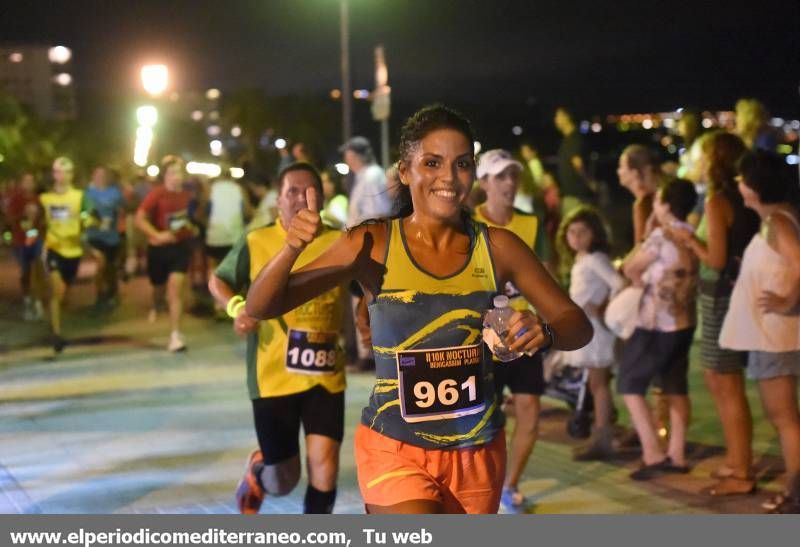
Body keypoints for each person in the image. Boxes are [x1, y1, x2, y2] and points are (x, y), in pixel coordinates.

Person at [245, 105, 592, 514]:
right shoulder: (371, 242)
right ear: (405, 171)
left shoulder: (498, 247)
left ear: (473, 172)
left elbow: (577, 324)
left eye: (461, 164)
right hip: (394, 449)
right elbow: (262, 305)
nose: (448, 177)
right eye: (432, 162)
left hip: (476, 450)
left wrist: (544, 332)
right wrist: (291, 248)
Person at [209, 163, 347, 514]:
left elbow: (367, 288)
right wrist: (237, 308)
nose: (301, 198)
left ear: (322, 197)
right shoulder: (256, 241)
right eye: (292, 192)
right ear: (278, 201)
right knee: (283, 479)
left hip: (325, 374)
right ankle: (259, 470)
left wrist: (365, 314)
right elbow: (218, 281)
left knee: (325, 467)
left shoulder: (340, 241)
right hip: (272, 377)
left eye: (309, 191)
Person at [670, 132, 760, 494]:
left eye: (702, 155)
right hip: (727, 295)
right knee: (722, 381)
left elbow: (716, 259)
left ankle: (742, 470)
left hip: (720, 297)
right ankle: (738, 462)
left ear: (716, 161)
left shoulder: (717, 200)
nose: (698, 161)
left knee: (725, 383)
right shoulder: (737, 197)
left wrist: (690, 239)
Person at [719, 151, 800, 513]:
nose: (738, 185)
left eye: (741, 179)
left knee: (784, 419)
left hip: (774, 336)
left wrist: (785, 300)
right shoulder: (780, 219)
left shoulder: (777, 223)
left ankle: (795, 493)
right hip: (773, 334)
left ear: (754, 186)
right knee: (785, 418)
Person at [473, 148, 546, 512]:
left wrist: (551, 327)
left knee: (530, 410)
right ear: (483, 182)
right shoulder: (466, 222)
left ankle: (510, 483)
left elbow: (547, 279)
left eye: (513, 175)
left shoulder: (532, 225)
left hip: (523, 332)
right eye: (500, 176)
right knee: (487, 414)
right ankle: (483, 484)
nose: (510, 182)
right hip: (481, 337)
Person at [619, 178, 699, 480]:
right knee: (676, 386)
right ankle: (676, 454)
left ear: (665, 205)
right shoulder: (692, 234)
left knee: (629, 383)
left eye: (658, 200)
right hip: (685, 321)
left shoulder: (660, 237)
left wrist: (649, 229)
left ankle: (652, 452)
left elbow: (630, 267)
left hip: (656, 323)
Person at [555, 206, 625, 461]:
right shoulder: (582, 260)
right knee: (597, 384)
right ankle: (601, 433)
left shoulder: (596, 259)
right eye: (572, 232)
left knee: (598, 384)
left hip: (596, 331)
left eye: (582, 232)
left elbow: (619, 283)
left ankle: (603, 436)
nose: (576, 237)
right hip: (587, 328)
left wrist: (604, 306)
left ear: (594, 234)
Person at [135, 155, 197, 352]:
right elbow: (139, 218)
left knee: (175, 290)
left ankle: (175, 335)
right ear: (165, 176)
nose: (176, 177)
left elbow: (192, 219)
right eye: (172, 173)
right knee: (158, 288)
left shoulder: (188, 196)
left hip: (180, 247)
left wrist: (191, 228)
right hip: (159, 249)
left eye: (179, 173)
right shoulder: (157, 194)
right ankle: (156, 304)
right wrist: (157, 235)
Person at [40, 157, 90, 353]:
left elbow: (89, 216)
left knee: (64, 295)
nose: (62, 176)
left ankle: (54, 320)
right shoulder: (45, 198)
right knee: (57, 291)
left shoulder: (80, 196)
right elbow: (37, 224)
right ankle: (56, 334)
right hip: (53, 248)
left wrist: (88, 221)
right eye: (59, 172)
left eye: (67, 172)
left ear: (72, 175)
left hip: (74, 250)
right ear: (54, 174)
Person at [204, 173, 251, 316]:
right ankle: (233, 303)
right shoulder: (239, 189)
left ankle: (217, 304)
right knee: (235, 269)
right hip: (235, 236)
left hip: (215, 235)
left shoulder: (210, 188)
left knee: (213, 266)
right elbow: (247, 211)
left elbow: (204, 209)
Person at [6, 173, 45, 320]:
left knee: (38, 269)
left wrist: (38, 226)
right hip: (20, 240)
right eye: (26, 181)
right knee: (26, 272)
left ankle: (39, 302)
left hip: (35, 239)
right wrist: (22, 217)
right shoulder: (17, 199)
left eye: (31, 181)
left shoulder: (38, 199)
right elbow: (10, 218)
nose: (29, 184)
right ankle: (27, 301)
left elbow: (42, 218)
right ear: (21, 183)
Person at [85, 165, 125, 310]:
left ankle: (112, 294)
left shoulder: (115, 193)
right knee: (100, 264)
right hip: (94, 236)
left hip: (111, 237)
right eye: (97, 174)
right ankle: (100, 295)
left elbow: (123, 208)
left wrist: (117, 217)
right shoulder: (88, 193)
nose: (99, 177)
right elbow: (83, 211)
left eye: (102, 175)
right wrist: (90, 219)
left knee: (110, 268)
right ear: (93, 176)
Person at [340, 136, 392, 228]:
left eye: (347, 154)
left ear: (354, 155)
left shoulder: (371, 176)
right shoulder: (363, 176)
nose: (345, 158)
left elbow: (378, 215)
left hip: (367, 238)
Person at [554, 107, 596, 214]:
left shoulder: (574, 138)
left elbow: (578, 164)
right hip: (571, 195)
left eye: (558, 116)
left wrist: (590, 182)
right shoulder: (568, 139)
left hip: (576, 196)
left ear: (567, 117)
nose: (555, 119)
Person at [617, 145, 661, 244]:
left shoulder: (643, 205)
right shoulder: (656, 196)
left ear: (634, 173)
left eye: (621, 167)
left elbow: (641, 247)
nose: (618, 172)